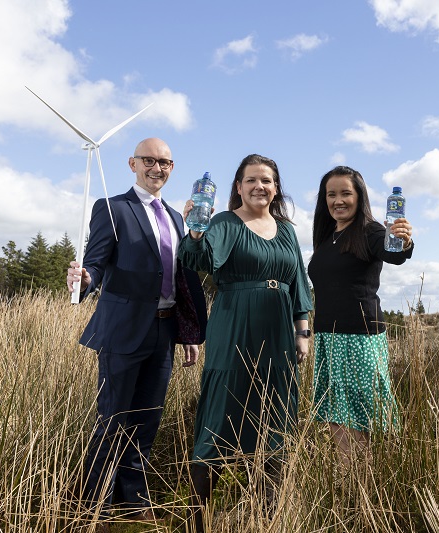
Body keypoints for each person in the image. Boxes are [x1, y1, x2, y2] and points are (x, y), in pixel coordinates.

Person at [66, 138, 208, 530]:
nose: (157, 168)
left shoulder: (177, 218)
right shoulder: (112, 209)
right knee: (112, 420)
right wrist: (82, 279)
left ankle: (135, 501)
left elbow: (180, 279)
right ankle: (94, 505)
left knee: (147, 422)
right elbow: (94, 264)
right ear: (132, 163)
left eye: (165, 162)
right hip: (122, 332)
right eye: (149, 160)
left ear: (172, 168)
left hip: (163, 333)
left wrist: (189, 333)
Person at [178, 154, 312, 527]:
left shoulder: (286, 229)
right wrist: (195, 230)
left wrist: (303, 332)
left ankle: (267, 515)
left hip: (280, 332)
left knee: (276, 413)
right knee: (223, 409)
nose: (259, 187)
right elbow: (199, 258)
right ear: (238, 187)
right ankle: (197, 519)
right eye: (251, 180)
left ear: (275, 187)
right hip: (234, 326)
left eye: (267, 181)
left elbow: (298, 282)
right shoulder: (224, 222)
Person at [307, 166, 413, 466]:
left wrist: (404, 240)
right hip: (328, 338)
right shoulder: (328, 238)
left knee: (360, 419)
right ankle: (350, 486)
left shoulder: (370, 230)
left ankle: (366, 487)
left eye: (345, 193)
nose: (338, 200)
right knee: (335, 419)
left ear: (359, 196)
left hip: (359, 339)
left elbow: (394, 253)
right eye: (331, 194)